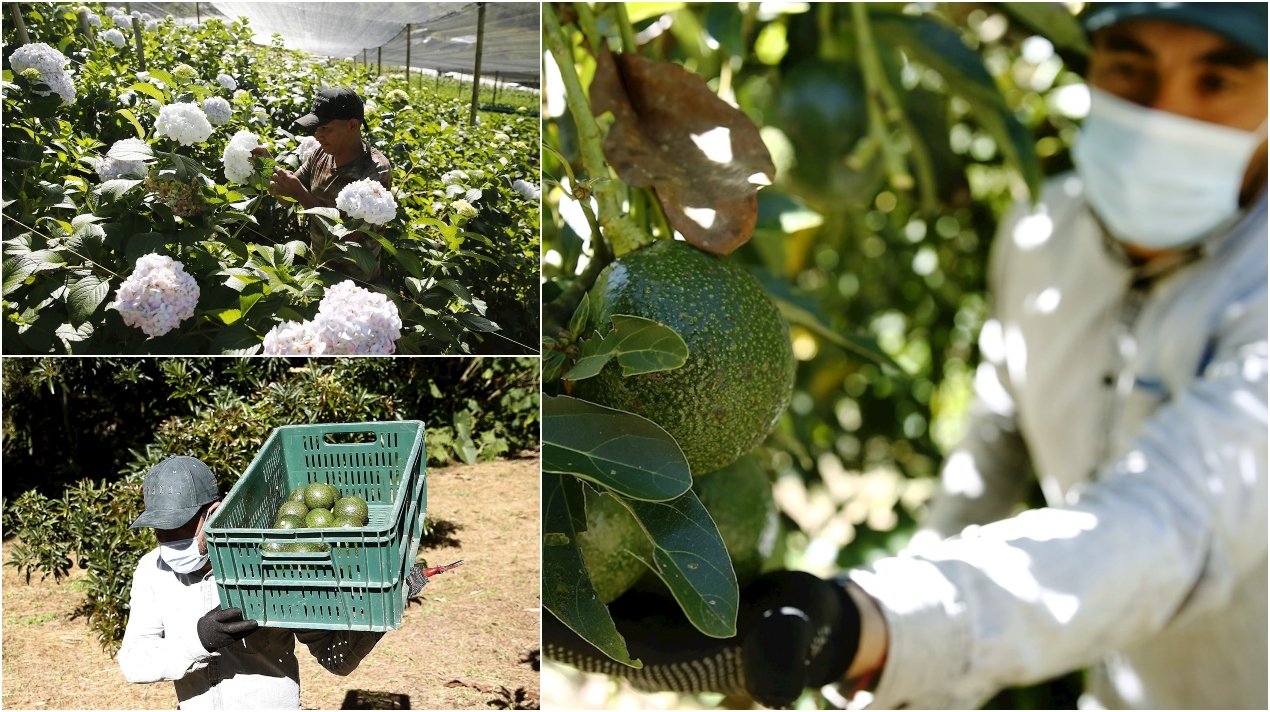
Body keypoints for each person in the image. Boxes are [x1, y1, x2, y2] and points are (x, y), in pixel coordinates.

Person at [544, 3, 1267, 709]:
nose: (1165, 112)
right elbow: (989, 456)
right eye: (1131, 71)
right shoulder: (1044, 233)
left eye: (1218, 80)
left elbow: (1174, 523)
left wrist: (868, 623)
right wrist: (895, 668)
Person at [117, 456, 384, 710]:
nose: (166, 539)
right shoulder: (152, 570)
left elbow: (334, 659)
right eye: (157, 528)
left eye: (176, 527)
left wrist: (383, 602)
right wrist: (198, 641)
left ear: (213, 514)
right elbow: (134, 662)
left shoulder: (270, 561)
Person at [253, 87, 392, 281]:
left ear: (352, 125)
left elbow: (345, 238)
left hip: (354, 280)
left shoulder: (375, 172)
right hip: (317, 266)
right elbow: (285, 198)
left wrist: (301, 194)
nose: (318, 136)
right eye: (317, 128)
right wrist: (269, 167)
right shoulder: (321, 153)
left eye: (325, 128)